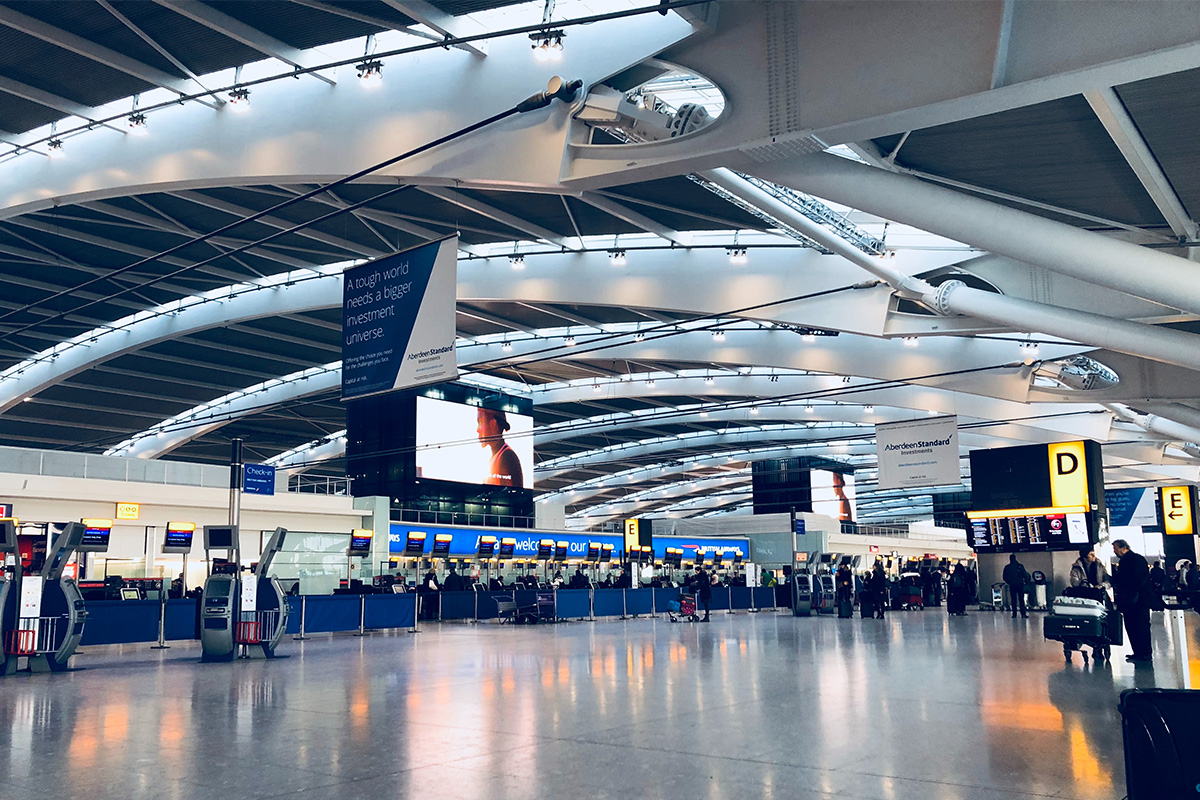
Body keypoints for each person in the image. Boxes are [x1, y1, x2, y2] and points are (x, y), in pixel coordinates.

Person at [1112, 539, 1152, 663]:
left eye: (1116, 548)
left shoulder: (1136, 560)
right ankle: (1138, 652)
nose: (1115, 551)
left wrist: (1129, 590)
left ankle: (1145, 653)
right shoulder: (1125, 561)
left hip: (1138, 600)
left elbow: (1139, 580)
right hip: (1129, 600)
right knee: (1132, 626)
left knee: (1141, 626)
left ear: (1124, 548)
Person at [476, 407, 524, 487]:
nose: (477, 429)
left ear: (493, 424)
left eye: (480, 422)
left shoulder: (507, 457)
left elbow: (511, 496)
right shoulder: (496, 457)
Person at [1002, 554, 1030, 619]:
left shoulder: (1007, 567)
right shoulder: (1019, 566)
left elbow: (1004, 577)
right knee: (1021, 600)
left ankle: (1014, 614)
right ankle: (1023, 613)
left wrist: (1009, 582)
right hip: (1020, 585)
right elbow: (1025, 575)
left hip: (1012, 585)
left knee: (1013, 600)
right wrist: (1026, 582)